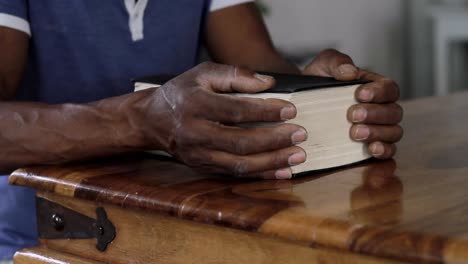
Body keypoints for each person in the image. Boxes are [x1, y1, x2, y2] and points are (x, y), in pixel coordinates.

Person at [0, 0, 403, 261]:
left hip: (166, 228)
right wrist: (139, 118)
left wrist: (315, 96)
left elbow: (257, 67)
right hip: (36, 236)